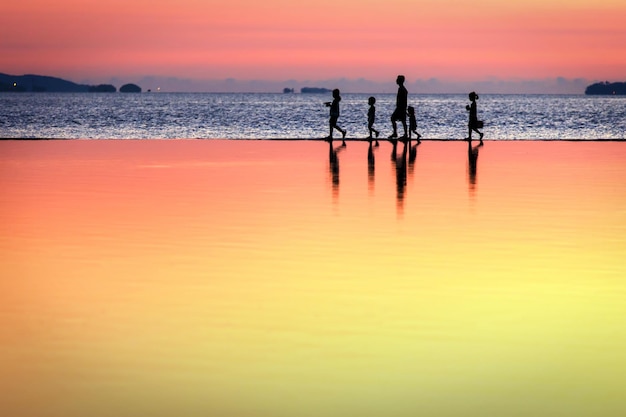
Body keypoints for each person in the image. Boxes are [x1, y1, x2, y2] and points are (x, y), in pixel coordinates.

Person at [389, 75, 408, 140]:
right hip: (401, 107)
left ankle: (398, 133)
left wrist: (402, 108)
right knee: (402, 121)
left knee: (394, 118)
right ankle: (403, 134)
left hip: (400, 107)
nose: (396, 80)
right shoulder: (402, 89)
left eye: (397, 79)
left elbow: (403, 100)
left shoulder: (402, 89)